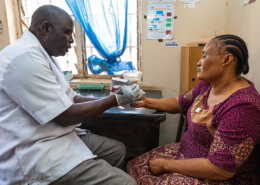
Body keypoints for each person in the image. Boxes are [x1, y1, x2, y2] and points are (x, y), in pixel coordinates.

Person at [0, 5, 141, 185]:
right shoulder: (23, 59)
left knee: (117, 150)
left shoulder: (44, 56)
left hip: (55, 137)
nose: (72, 40)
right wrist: (115, 99)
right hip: (36, 152)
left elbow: (72, 99)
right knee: (127, 183)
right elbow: (65, 116)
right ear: (45, 28)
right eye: (67, 33)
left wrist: (117, 97)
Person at [127, 35, 260, 185]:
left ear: (226, 60)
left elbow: (219, 170)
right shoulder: (208, 85)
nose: (198, 62)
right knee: (133, 166)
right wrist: (146, 102)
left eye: (204, 56)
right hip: (185, 154)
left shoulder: (243, 108)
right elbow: (179, 103)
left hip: (218, 177)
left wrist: (165, 165)